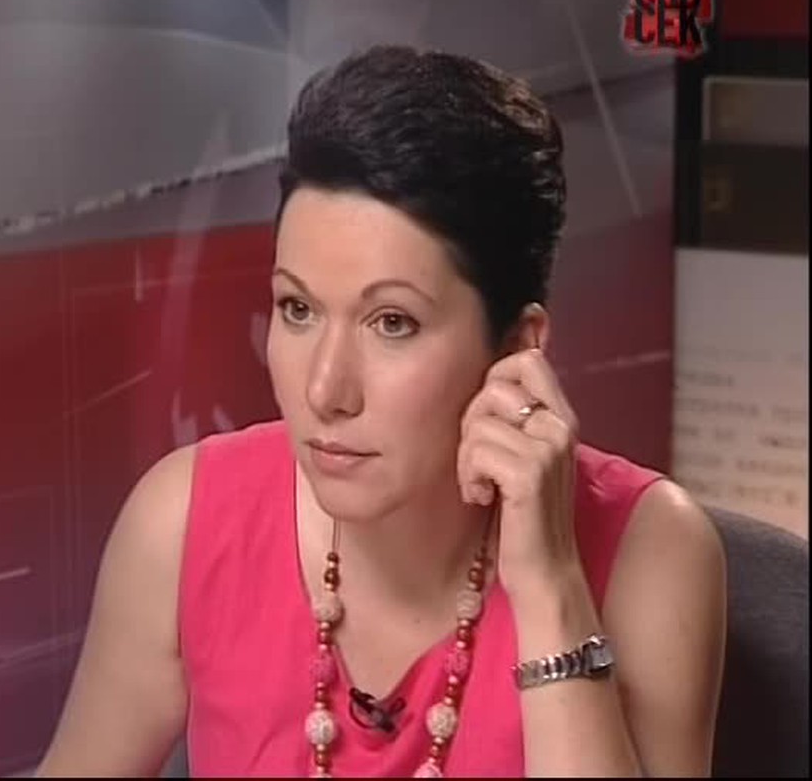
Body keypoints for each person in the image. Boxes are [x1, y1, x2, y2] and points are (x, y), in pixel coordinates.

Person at [36, 46, 727, 778]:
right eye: (297, 309)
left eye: (392, 322)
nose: (326, 390)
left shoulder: (656, 554)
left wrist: (550, 588)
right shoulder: (184, 525)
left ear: (517, 348)